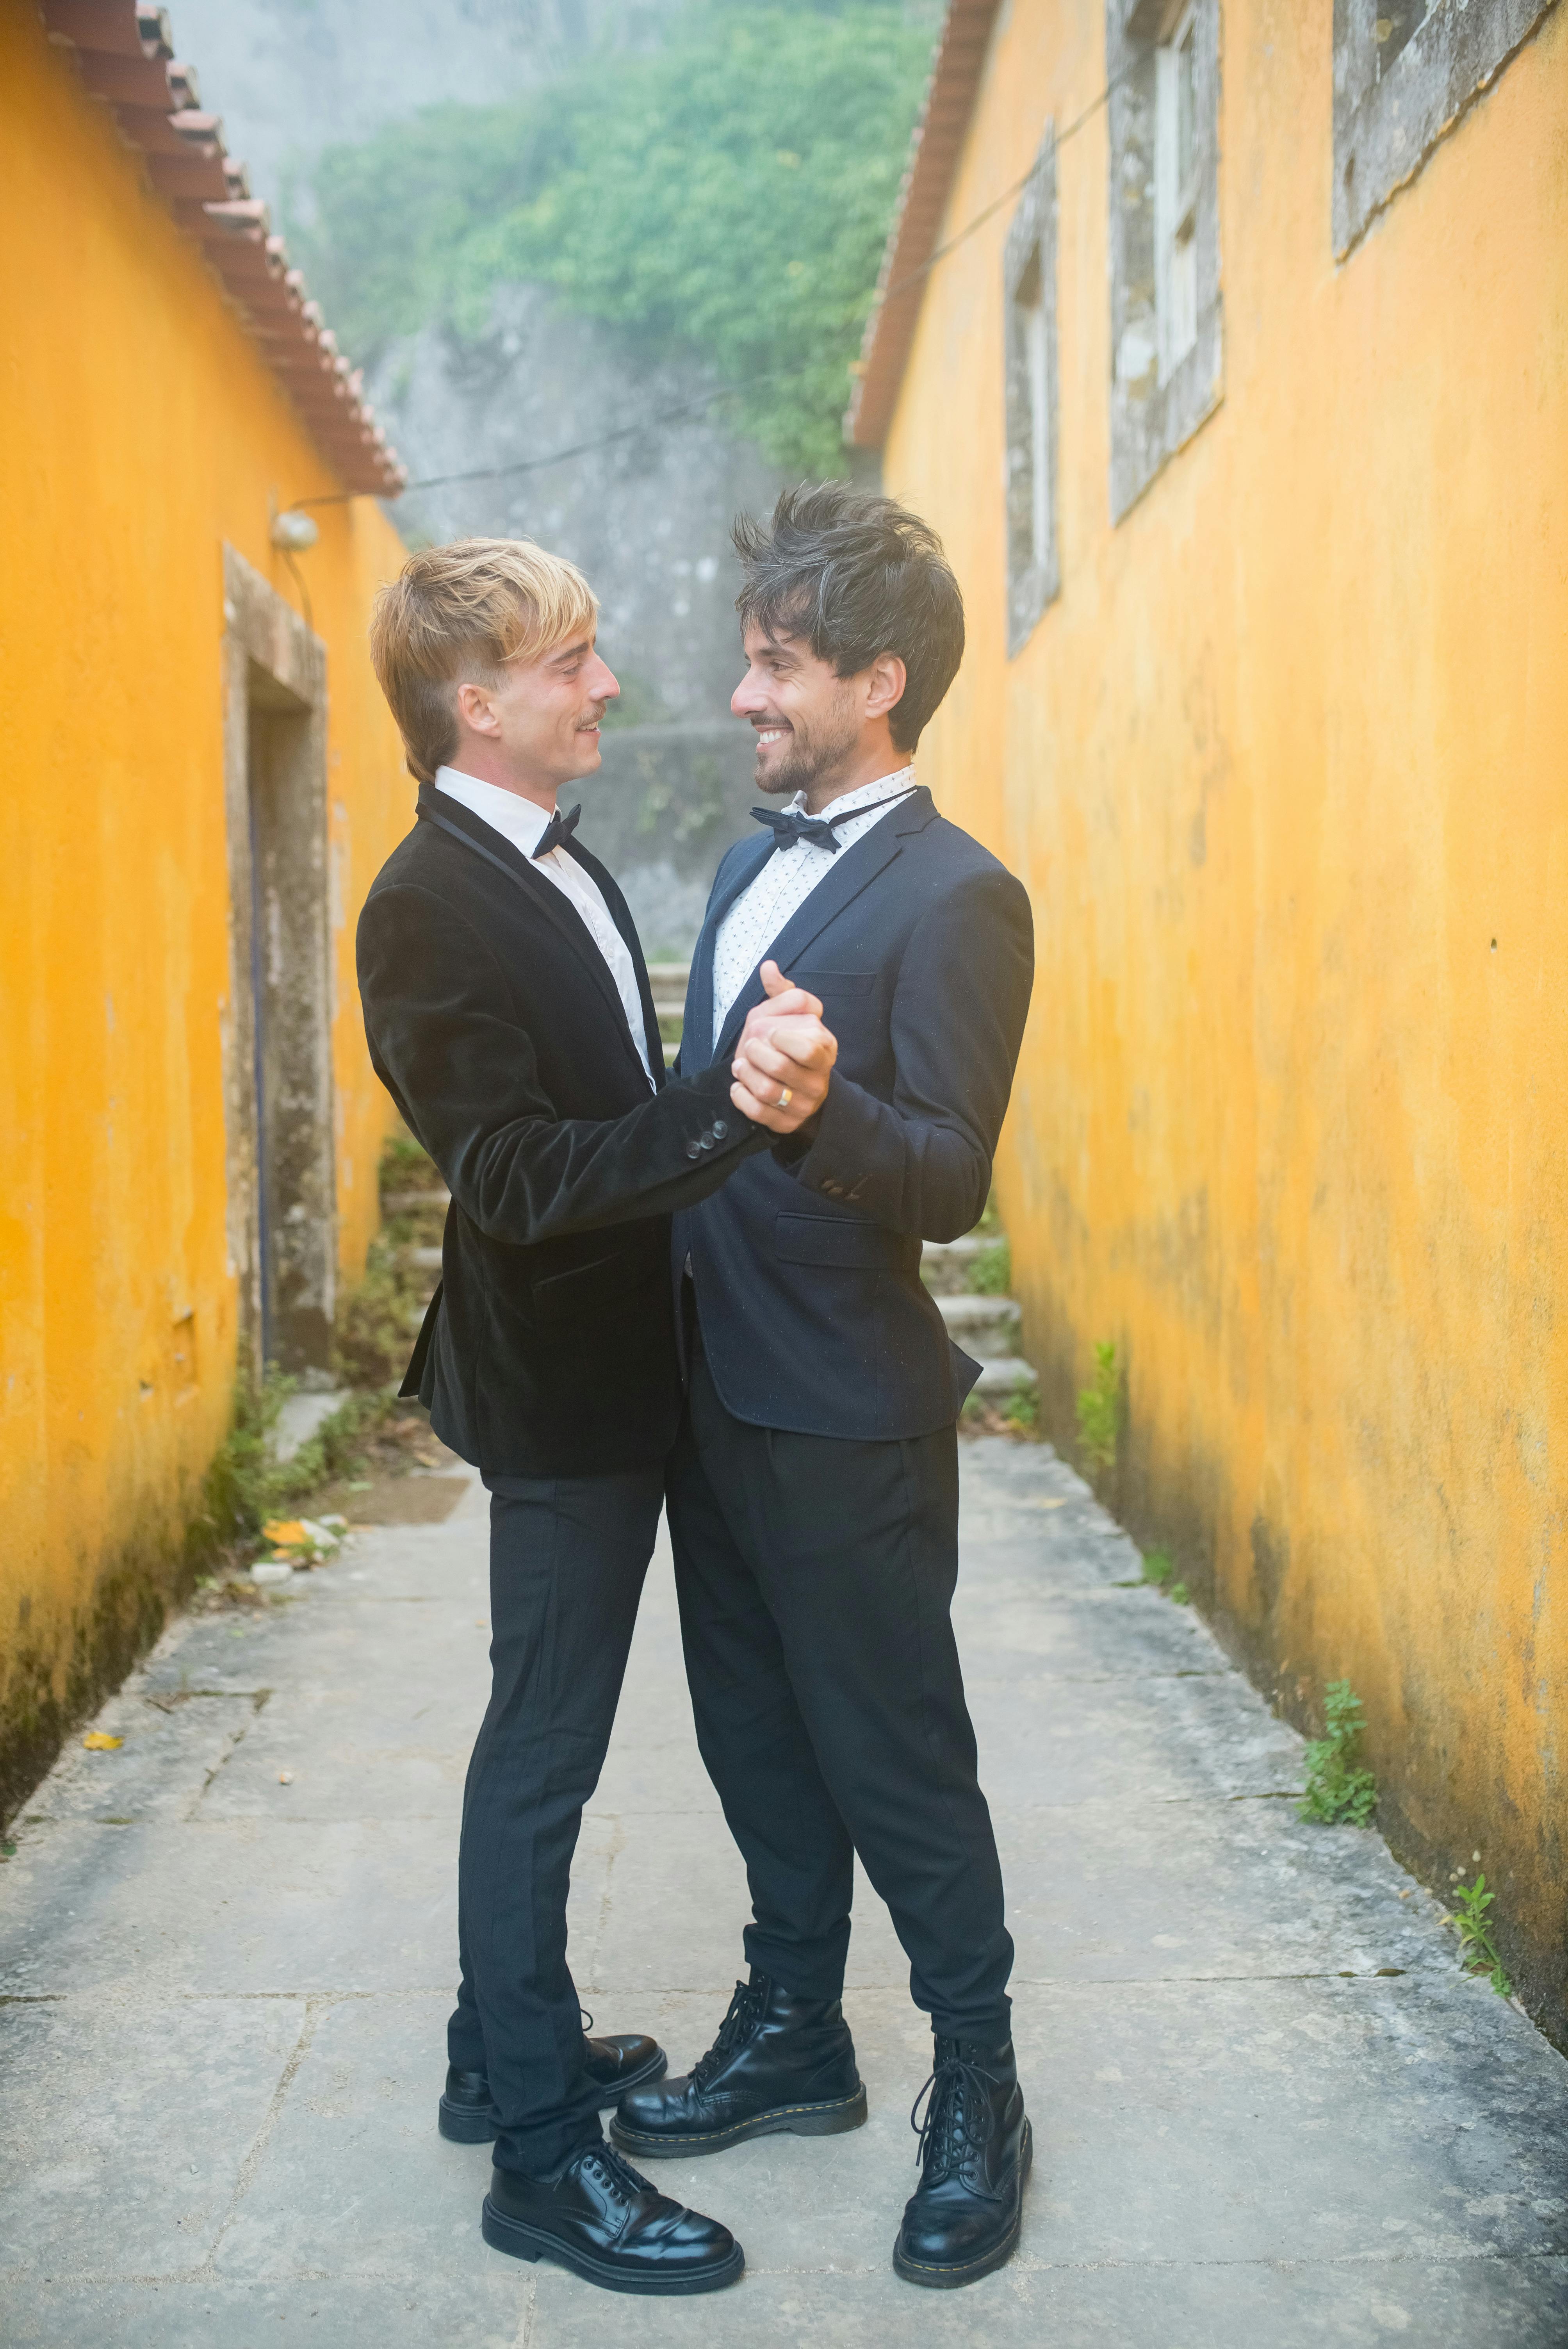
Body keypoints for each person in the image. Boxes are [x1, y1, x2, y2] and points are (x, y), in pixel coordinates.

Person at [356, 536, 836, 2297]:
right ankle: (543, 2158)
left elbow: (600, 1101)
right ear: (476, 703)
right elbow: (513, 1171)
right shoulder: (421, 900)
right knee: (542, 1755)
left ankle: (502, 2057)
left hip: (637, 1363)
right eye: (571, 660)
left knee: (539, 1740)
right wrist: (729, 1106)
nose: (608, 683)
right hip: (560, 1390)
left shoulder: (558, 863)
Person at [608, 485, 1037, 2290]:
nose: (741, 694)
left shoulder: (960, 896)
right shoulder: (736, 865)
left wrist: (823, 1111)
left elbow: (949, 1175)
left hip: (852, 1410)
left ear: (879, 678)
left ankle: (982, 2087)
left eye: (777, 665)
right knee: (754, 1741)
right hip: (706, 1382)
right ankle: (796, 2036)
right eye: (749, 655)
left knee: (895, 1760)